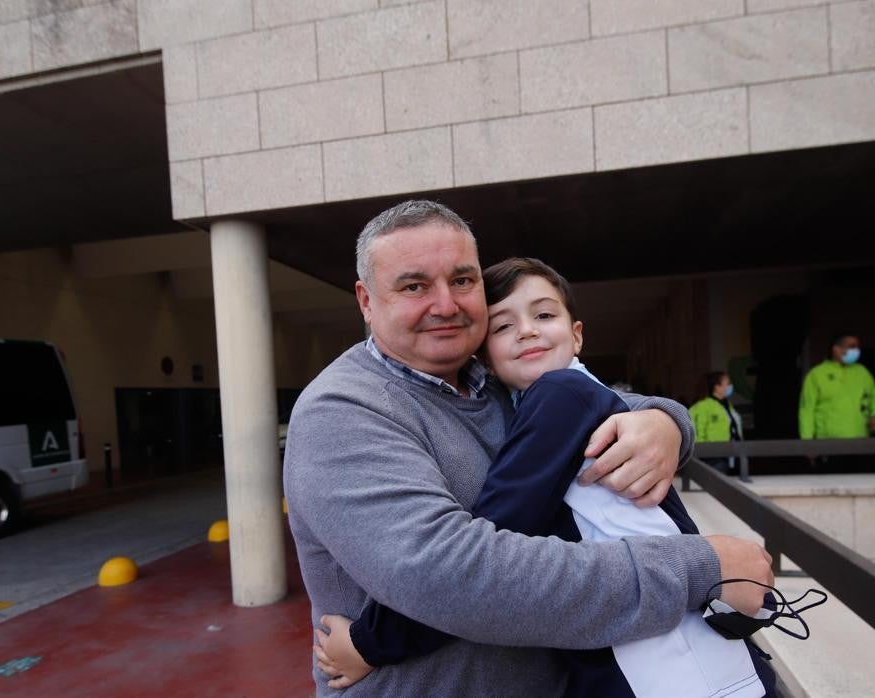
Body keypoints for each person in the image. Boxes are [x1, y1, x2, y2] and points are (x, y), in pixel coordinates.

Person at [284, 200, 774, 696]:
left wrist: (665, 421)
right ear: (367, 301)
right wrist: (698, 570)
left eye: (462, 280)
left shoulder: (495, 383)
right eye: (414, 286)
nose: (446, 304)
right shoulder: (341, 411)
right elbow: (453, 578)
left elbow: (590, 399)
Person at [798, 334, 875, 440]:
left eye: (857, 347)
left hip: (860, 438)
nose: (856, 350)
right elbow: (807, 409)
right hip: (828, 442)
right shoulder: (816, 374)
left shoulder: (862, 372)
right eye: (852, 347)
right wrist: (807, 441)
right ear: (836, 349)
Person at [690, 371, 744, 473]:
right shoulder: (703, 406)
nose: (730, 387)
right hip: (713, 456)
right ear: (717, 387)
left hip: (732, 453)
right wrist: (701, 453)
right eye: (727, 384)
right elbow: (698, 432)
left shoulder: (727, 404)